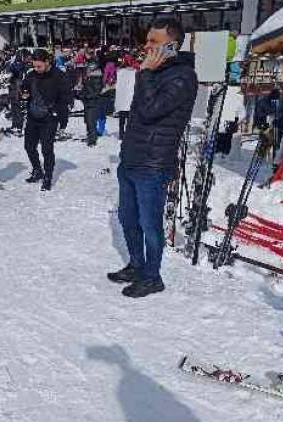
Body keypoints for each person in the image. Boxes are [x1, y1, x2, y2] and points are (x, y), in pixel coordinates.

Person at [108, 18, 198, 298]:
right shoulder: (155, 72)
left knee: (150, 224)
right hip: (132, 159)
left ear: (172, 46)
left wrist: (144, 74)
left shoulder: (183, 76)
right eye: (147, 40)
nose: (146, 46)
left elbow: (150, 111)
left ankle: (152, 276)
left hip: (154, 164)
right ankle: (136, 265)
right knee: (127, 218)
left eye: (153, 42)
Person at [21, 48, 69, 191]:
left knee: (47, 149)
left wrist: (60, 117)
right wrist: (24, 94)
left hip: (49, 118)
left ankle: (48, 176)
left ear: (47, 62)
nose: (36, 69)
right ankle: (37, 170)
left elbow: (65, 97)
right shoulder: (31, 75)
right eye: (34, 66)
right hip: (33, 116)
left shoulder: (58, 76)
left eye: (39, 66)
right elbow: (25, 88)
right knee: (29, 146)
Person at [114, 53, 138, 141]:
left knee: (122, 118)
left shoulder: (119, 71)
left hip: (122, 98)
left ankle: (121, 133)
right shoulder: (135, 72)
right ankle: (129, 133)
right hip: (130, 98)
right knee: (130, 118)